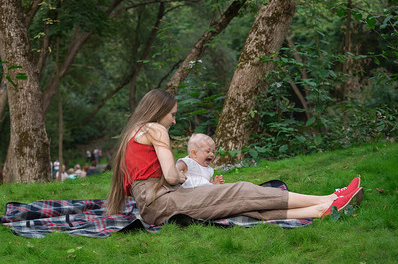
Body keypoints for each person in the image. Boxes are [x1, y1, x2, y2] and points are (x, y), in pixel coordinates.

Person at [106, 89, 364, 225]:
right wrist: (180, 174)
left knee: (242, 205)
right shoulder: (155, 128)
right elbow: (171, 176)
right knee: (239, 190)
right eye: (172, 114)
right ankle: (331, 197)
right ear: (159, 110)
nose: (173, 120)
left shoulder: (133, 132)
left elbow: (149, 177)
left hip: (157, 204)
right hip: (163, 203)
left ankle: (321, 210)